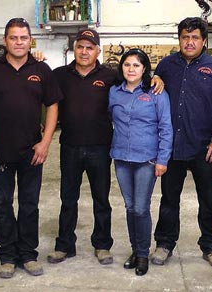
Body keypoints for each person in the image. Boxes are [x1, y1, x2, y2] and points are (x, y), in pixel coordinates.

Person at [47, 29, 164, 265]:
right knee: (68, 198)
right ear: (73, 49)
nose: (84, 51)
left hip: (101, 148)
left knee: (101, 199)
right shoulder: (60, 75)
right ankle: (64, 245)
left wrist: (157, 77)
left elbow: (137, 79)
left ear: (97, 51)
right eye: (80, 46)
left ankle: (102, 245)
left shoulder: (111, 76)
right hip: (69, 146)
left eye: (90, 47)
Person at [0, 17, 63, 279]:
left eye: (23, 38)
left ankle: (28, 253)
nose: (19, 42)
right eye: (13, 37)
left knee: (29, 204)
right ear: (5, 41)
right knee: (3, 204)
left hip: (31, 152)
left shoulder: (42, 70)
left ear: (30, 40)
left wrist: (45, 142)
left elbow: (53, 106)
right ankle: (8, 255)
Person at [151, 17, 212, 268]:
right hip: (172, 146)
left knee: (207, 198)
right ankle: (165, 243)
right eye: (185, 37)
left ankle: (211, 245)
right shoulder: (166, 65)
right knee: (169, 197)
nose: (189, 42)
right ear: (179, 40)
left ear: (204, 41)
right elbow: (151, 91)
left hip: (204, 147)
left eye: (195, 37)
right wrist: (155, 77)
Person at [109, 48, 173, 276]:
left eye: (136, 65)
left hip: (147, 158)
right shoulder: (114, 92)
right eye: (127, 65)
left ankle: (143, 254)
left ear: (144, 69)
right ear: (121, 68)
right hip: (122, 158)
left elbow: (166, 127)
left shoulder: (156, 93)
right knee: (129, 207)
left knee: (140, 207)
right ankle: (135, 250)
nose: (131, 69)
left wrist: (162, 159)